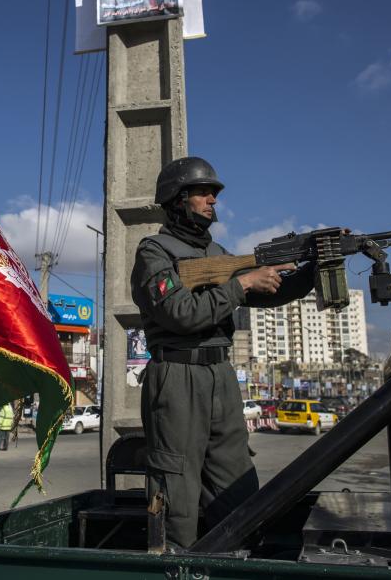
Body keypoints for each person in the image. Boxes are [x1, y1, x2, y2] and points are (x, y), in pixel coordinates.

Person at [131, 157, 316, 550]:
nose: (213, 198)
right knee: (175, 484)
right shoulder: (154, 251)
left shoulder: (217, 251)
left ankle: (236, 559)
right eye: (203, 191)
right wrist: (242, 283)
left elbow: (269, 291)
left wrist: (312, 268)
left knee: (236, 481)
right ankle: (173, 565)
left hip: (221, 376)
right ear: (178, 198)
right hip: (178, 376)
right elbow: (181, 313)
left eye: (212, 192)